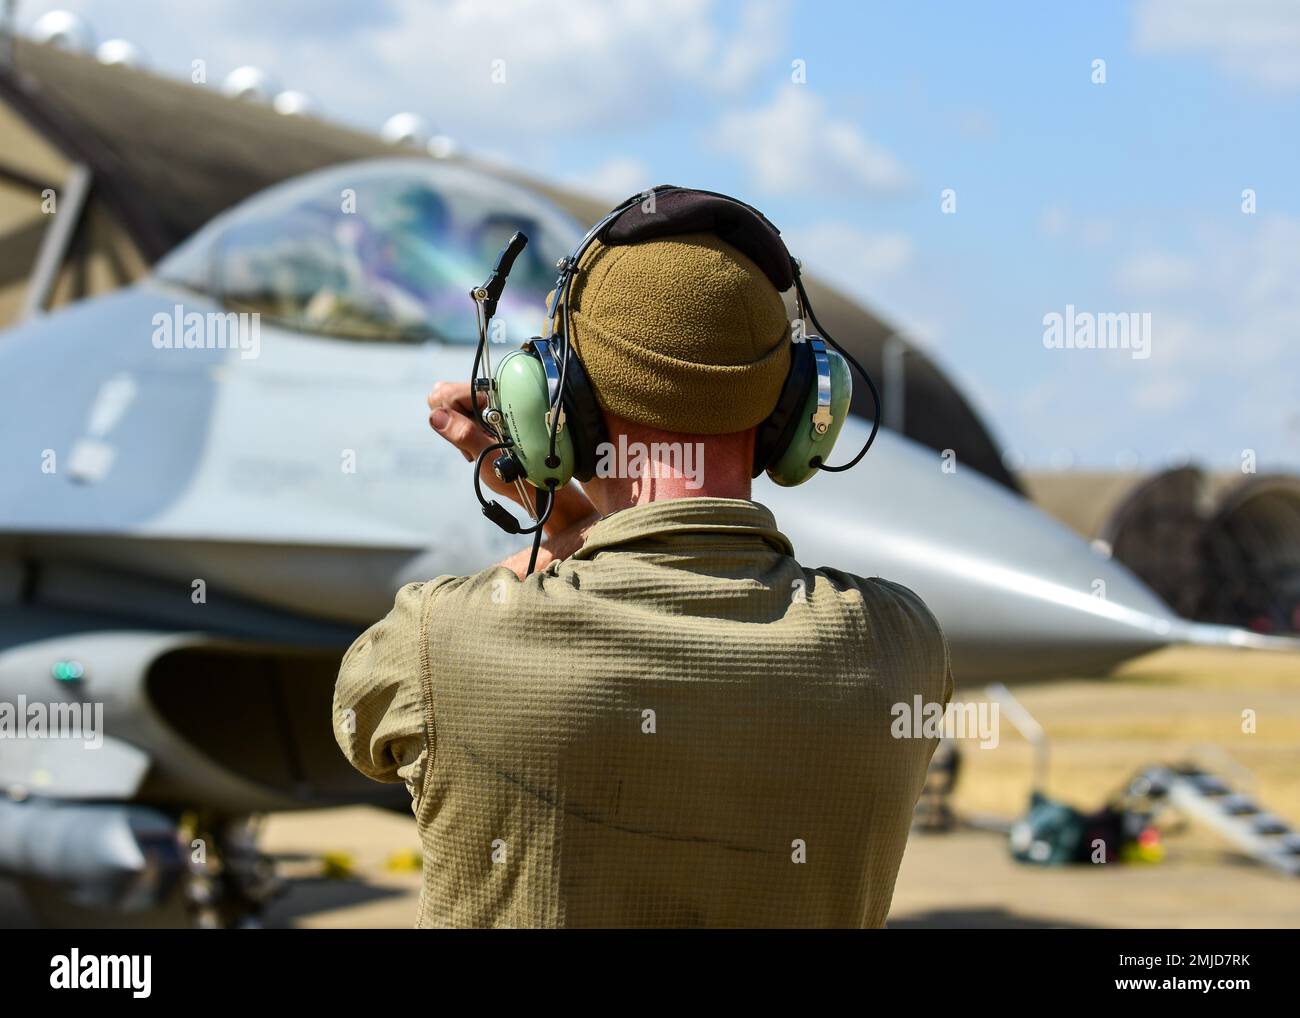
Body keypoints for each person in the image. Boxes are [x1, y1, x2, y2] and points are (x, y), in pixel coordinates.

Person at [333, 194, 953, 927]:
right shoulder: (901, 646)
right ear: (794, 410)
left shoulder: (436, 640)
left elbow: (361, 722)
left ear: (556, 405)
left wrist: (565, 539)